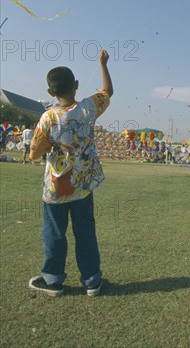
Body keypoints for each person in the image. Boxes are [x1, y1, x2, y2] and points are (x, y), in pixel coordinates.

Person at [28, 49, 113, 297]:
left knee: (54, 233)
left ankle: (53, 281)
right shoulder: (88, 108)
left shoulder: (47, 117)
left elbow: (34, 153)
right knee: (85, 232)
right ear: (76, 86)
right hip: (83, 187)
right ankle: (92, 281)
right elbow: (107, 92)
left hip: (56, 188)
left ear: (50, 92)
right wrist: (103, 64)